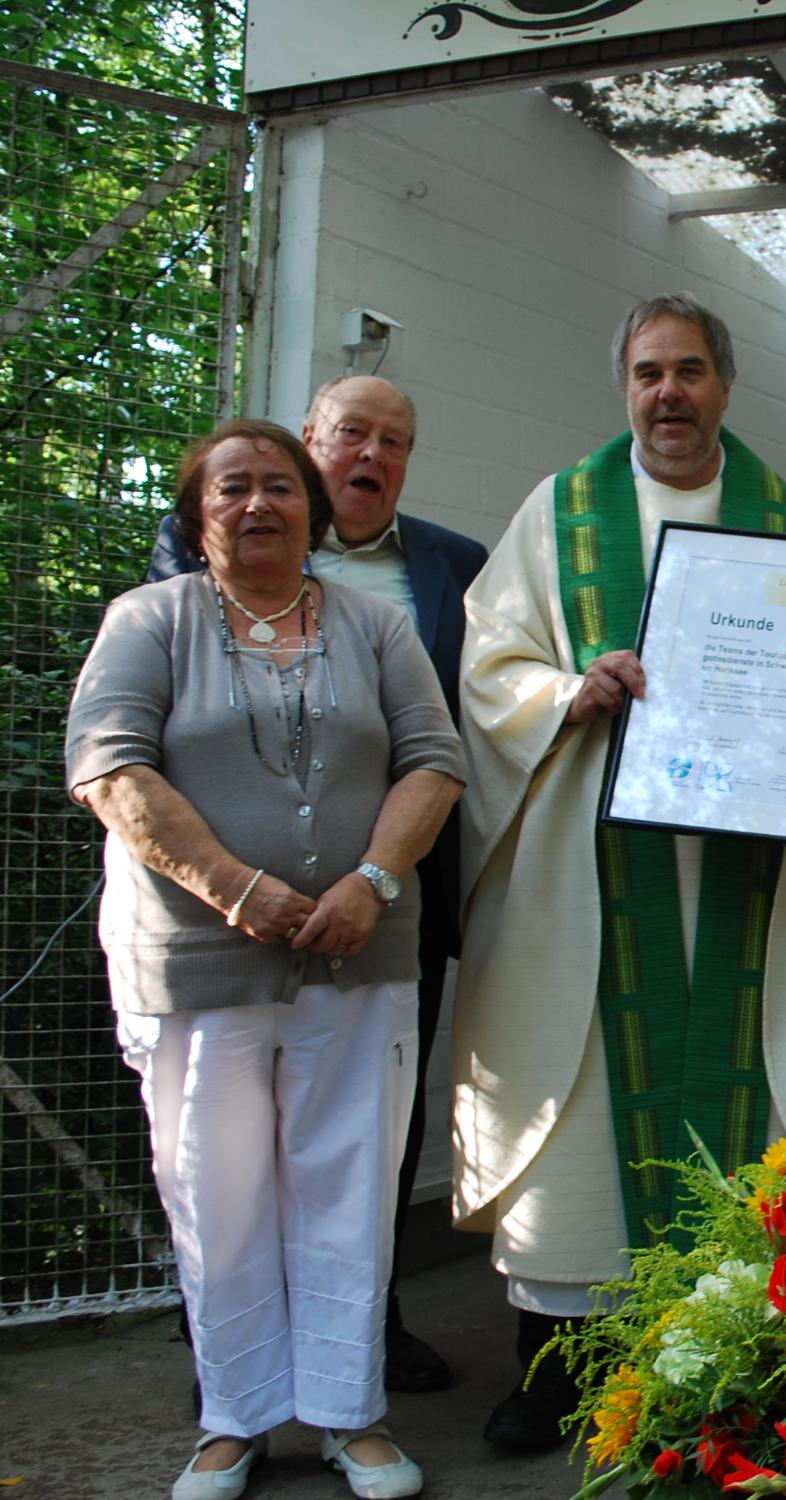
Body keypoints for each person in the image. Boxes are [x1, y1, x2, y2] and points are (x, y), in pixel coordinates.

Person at [454, 292, 786, 1449]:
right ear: (623, 385)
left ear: (724, 384)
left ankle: (752, 1363)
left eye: (687, 370)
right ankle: (555, 1370)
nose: (666, 393)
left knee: (756, 1079)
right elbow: (492, 663)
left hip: (748, 865)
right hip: (597, 860)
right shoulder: (560, 510)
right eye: (646, 373)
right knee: (584, 1097)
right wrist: (566, 693)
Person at [67, 420, 464, 1500]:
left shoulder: (376, 627)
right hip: (197, 962)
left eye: (280, 487)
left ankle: (351, 1415)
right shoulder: (149, 620)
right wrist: (234, 890)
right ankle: (233, 1421)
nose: (259, 506)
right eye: (232, 488)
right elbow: (110, 770)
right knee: (216, 1188)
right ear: (198, 515)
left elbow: (433, 763)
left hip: (358, 951)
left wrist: (371, 882)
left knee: (348, 1185)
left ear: (314, 508)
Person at [147, 374, 487, 1393]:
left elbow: (454, 738)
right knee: (223, 1136)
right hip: (223, 917)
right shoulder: (194, 566)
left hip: (386, 903)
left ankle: (366, 1326)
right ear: (310, 444)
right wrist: (226, 881)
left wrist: (381, 875)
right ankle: (230, 1349)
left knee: (366, 1130)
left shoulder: (452, 570)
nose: (370, 456)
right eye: (351, 434)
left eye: (395, 441)